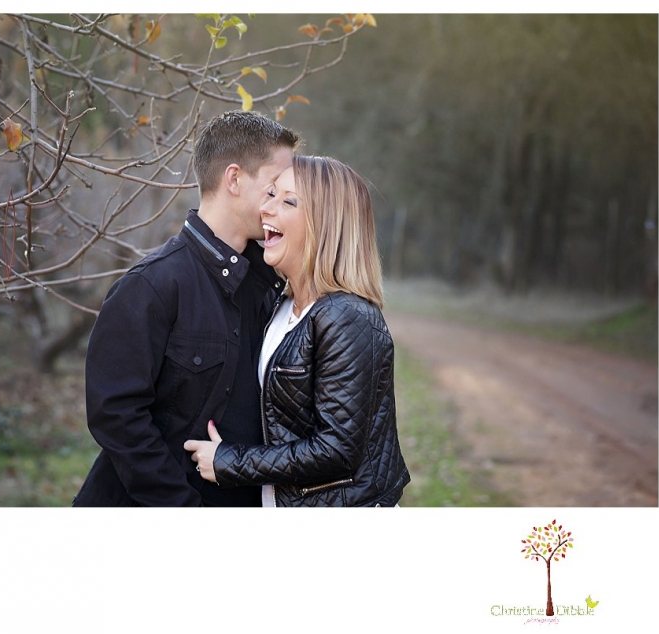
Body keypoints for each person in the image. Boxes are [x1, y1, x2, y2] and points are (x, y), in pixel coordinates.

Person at [72, 110, 301, 506]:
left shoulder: (270, 285)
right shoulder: (151, 286)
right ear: (234, 179)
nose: (280, 203)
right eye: (273, 188)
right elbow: (117, 417)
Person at [184, 155, 411, 506]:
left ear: (326, 223)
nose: (266, 210)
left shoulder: (347, 316)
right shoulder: (283, 306)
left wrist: (231, 462)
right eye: (270, 194)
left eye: (287, 200)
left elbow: (336, 450)